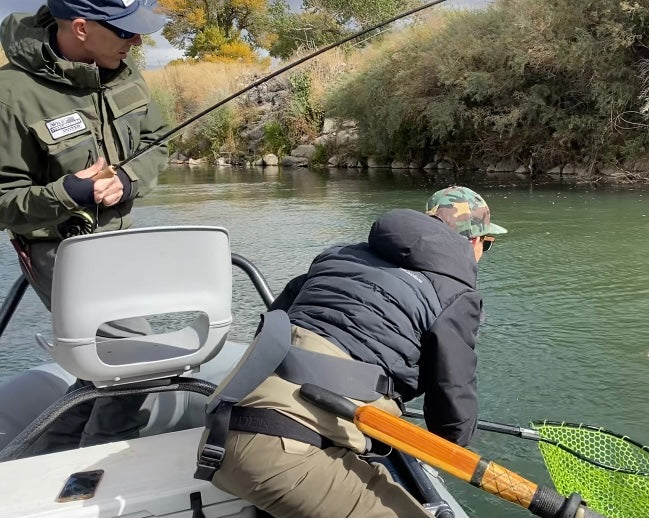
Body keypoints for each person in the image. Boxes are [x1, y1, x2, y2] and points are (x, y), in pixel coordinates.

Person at [197, 186, 507, 517]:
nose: (483, 253)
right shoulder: (456, 296)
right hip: (276, 456)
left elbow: (273, 325)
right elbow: (452, 421)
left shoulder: (338, 254)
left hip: (219, 429)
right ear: (473, 240)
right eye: (486, 244)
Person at [0, 0, 169, 452]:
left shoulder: (123, 70)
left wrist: (128, 181)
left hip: (121, 245)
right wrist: (69, 193)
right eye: (124, 31)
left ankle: (49, 457)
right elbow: (3, 202)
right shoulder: (11, 94)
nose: (136, 41)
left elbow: (157, 142)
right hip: (60, 253)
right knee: (140, 361)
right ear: (80, 28)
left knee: (103, 368)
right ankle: (101, 468)